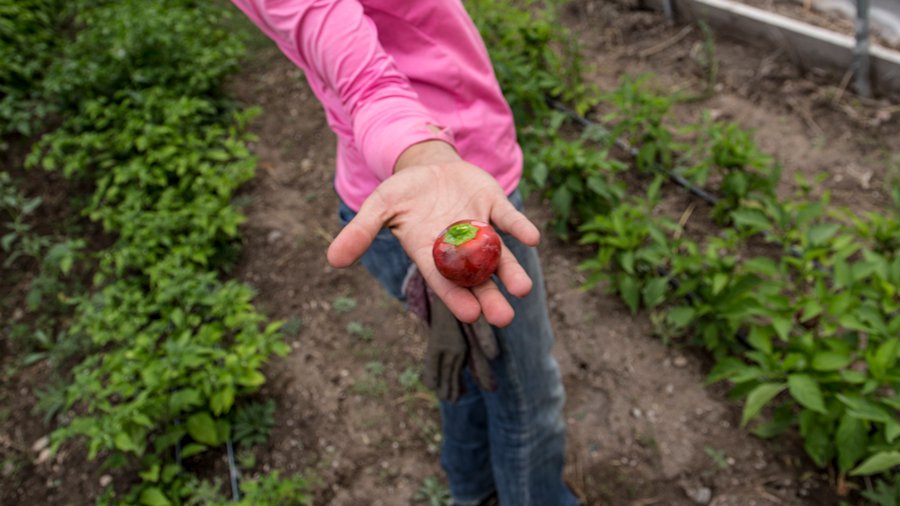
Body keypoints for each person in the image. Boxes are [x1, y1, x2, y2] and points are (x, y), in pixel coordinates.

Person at [230, 1, 579, 504]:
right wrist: (427, 157)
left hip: (449, 177)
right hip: (438, 196)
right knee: (527, 391)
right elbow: (363, 82)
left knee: (471, 366)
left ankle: (474, 489)